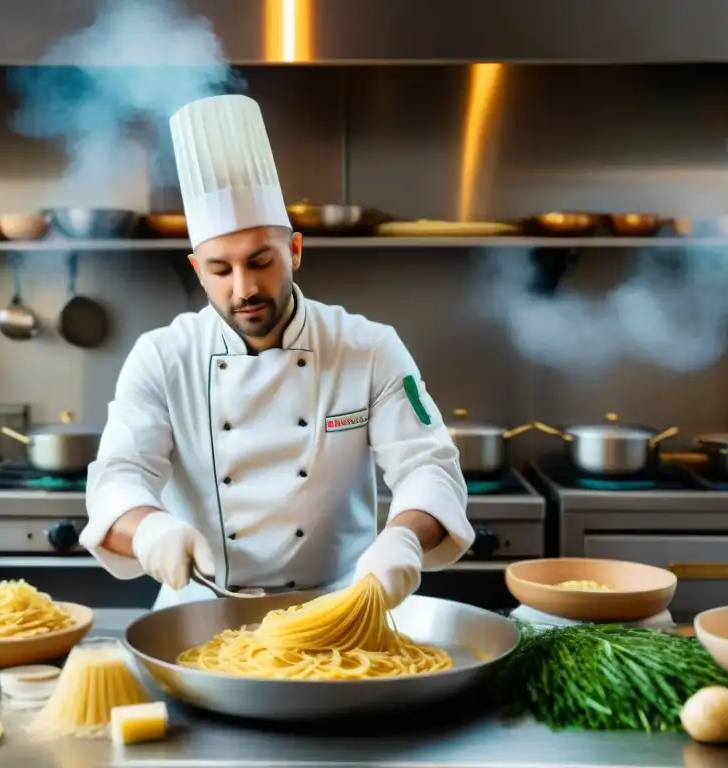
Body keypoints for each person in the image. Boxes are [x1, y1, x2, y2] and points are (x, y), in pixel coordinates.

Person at [80, 94, 472, 611]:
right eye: (220, 270)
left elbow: (429, 467)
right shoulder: (161, 357)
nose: (243, 288)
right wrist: (149, 530)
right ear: (197, 270)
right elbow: (117, 477)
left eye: (260, 261)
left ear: (295, 251)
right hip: (198, 612)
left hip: (342, 611)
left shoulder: (369, 347)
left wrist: (401, 538)